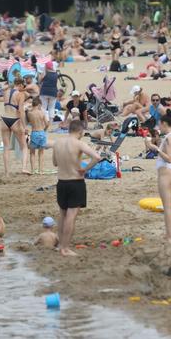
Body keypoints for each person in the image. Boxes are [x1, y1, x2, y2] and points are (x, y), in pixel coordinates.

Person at [52, 120, 101, 257]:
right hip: (75, 182)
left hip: (61, 182)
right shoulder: (79, 143)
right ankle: (65, 248)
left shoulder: (58, 143)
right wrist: (85, 169)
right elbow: (97, 157)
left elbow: (55, 162)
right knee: (71, 216)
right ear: (80, 132)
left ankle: (61, 245)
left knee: (62, 214)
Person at [143, 110, 171, 242]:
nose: (159, 127)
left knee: (168, 207)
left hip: (166, 173)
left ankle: (169, 236)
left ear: (165, 123)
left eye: (160, 124)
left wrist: (155, 148)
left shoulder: (170, 137)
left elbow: (169, 158)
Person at [0, 78, 29, 176]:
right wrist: (24, 126)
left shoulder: (6, 92)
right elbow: (21, 111)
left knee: (6, 148)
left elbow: (3, 89)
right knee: (24, 146)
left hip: (4, 119)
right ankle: (24, 168)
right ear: (20, 84)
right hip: (14, 120)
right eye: (23, 86)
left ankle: (7, 173)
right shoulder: (20, 94)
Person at [27, 97, 49, 174]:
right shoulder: (42, 113)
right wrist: (44, 130)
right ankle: (41, 171)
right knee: (41, 153)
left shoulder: (30, 113)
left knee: (32, 153)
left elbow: (27, 121)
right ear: (39, 104)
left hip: (34, 132)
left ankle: (32, 170)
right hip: (42, 132)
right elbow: (47, 124)